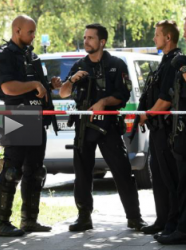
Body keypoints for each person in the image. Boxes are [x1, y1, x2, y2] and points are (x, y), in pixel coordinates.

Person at [59, 23, 147, 232]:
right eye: (85, 37)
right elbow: (63, 93)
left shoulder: (116, 64)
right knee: (82, 174)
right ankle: (83, 217)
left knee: (122, 171)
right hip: (84, 127)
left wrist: (104, 102)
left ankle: (134, 217)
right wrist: (72, 79)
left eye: (90, 37)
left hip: (108, 126)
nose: (86, 41)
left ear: (102, 41)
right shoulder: (79, 65)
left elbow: (123, 96)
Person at [0, 15, 62, 237]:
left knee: (36, 172)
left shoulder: (32, 56)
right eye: (30, 32)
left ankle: (29, 220)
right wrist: (34, 84)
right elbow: (9, 88)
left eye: (34, 32)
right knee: (12, 171)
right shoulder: (3, 56)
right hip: (17, 116)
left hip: (37, 118)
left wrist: (49, 86)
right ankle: (0, 222)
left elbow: (36, 89)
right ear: (17, 30)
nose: (33, 36)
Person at [138, 20, 180, 238]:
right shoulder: (164, 62)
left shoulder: (175, 62)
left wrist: (147, 114)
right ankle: (162, 220)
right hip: (156, 130)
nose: (154, 38)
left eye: (157, 35)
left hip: (167, 131)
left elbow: (165, 100)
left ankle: (173, 225)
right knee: (159, 177)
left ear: (168, 38)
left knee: (170, 178)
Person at [157, 18, 186, 245]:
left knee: (179, 182)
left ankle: (180, 227)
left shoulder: (178, 61)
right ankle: (173, 224)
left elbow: (166, 98)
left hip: (175, 129)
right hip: (178, 131)